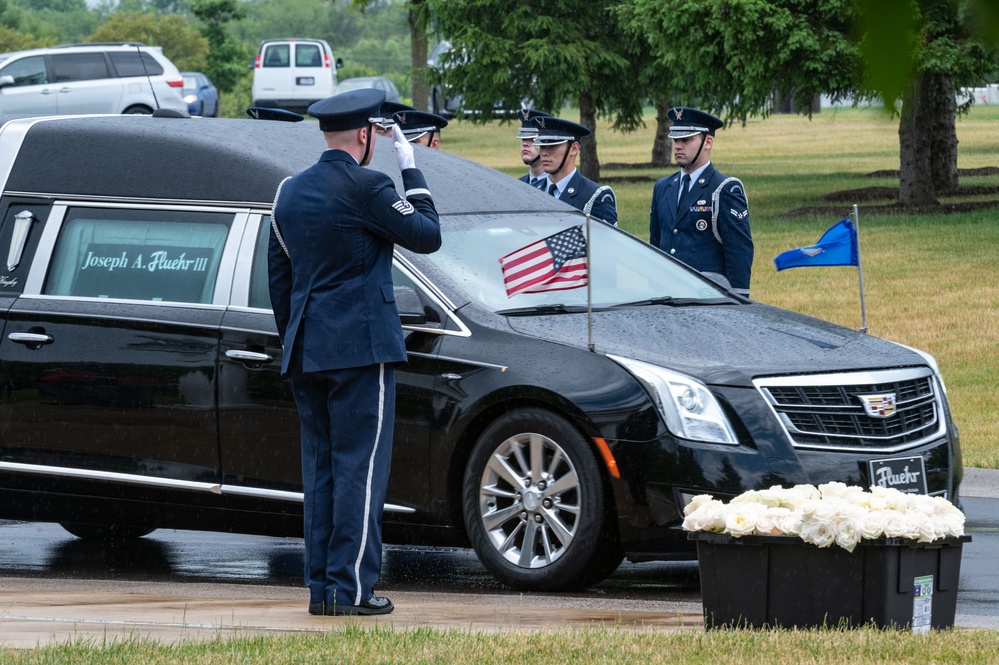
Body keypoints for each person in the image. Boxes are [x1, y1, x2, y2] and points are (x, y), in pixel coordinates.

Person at [267, 88, 442, 617]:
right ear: (366, 136)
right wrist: (411, 168)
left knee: (320, 472)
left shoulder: (288, 193)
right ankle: (352, 590)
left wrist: (298, 334)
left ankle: (322, 589)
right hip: (361, 350)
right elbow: (427, 235)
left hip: (306, 348)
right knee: (360, 470)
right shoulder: (370, 185)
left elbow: (279, 279)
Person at [649, 106, 753, 297]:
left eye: (686, 139)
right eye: (675, 140)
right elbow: (656, 245)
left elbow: (739, 252)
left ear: (708, 142)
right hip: (667, 295)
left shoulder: (724, 189)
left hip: (707, 297)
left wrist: (739, 300)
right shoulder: (663, 187)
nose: (678, 145)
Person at [531, 115, 617, 225]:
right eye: (542, 146)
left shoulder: (593, 196)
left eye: (552, 146)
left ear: (574, 148)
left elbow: (607, 240)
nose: (544, 153)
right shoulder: (531, 190)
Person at [515, 109, 551, 189]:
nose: (525, 144)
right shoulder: (517, 185)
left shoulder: (555, 188)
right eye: (523, 139)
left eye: (532, 139)